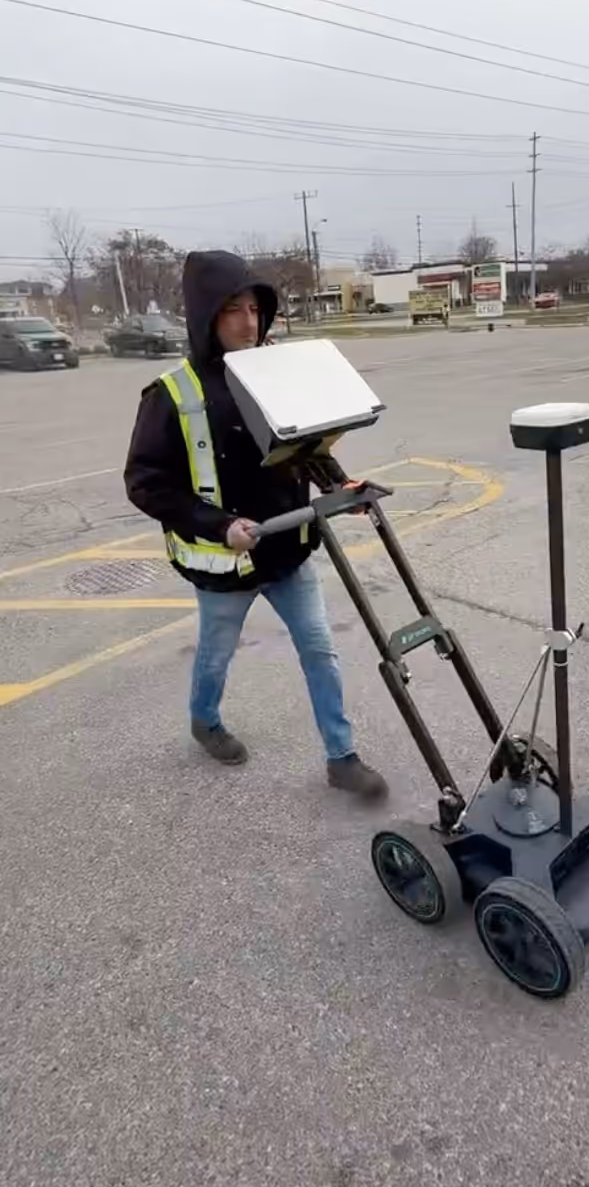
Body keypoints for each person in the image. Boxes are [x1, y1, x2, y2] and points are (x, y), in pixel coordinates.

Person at [124, 249, 387, 799]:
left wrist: (337, 485)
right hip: (226, 559)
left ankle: (342, 757)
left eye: (254, 310)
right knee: (216, 655)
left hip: (288, 548)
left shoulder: (276, 373)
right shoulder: (171, 395)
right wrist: (219, 526)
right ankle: (206, 722)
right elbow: (146, 482)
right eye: (232, 311)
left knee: (320, 649)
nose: (248, 323)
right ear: (204, 317)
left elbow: (307, 441)